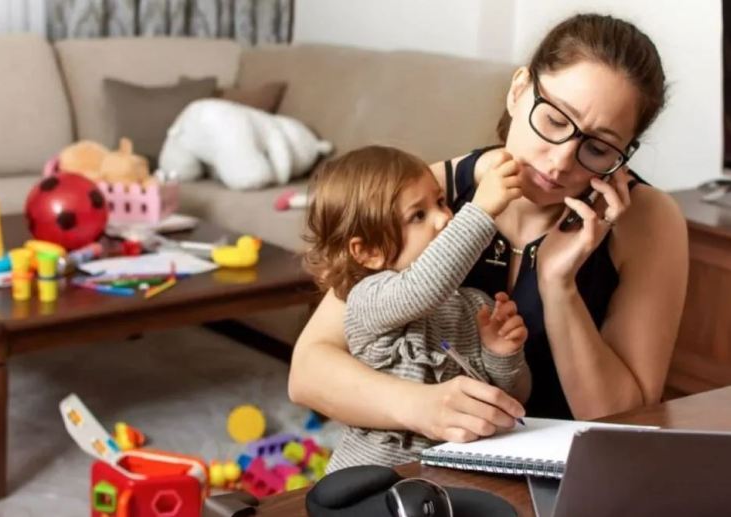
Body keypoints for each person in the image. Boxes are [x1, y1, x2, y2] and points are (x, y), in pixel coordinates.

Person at [289, 13, 688, 443]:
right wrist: (421, 406)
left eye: (598, 147)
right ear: (518, 90)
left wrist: (558, 286)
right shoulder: (430, 196)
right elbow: (308, 370)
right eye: (555, 121)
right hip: (432, 459)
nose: (560, 162)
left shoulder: (648, 222)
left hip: (570, 466)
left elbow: (623, 424)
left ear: (624, 153)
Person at [302, 146, 532, 471]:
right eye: (418, 216)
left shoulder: (475, 305)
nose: (445, 218)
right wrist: (481, 210)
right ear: (368, 252)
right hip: (371, 478)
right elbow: (421, 288)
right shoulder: (366, 298)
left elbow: (512, 398)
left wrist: (503, 354)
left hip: (449, 475)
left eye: (441, 201)